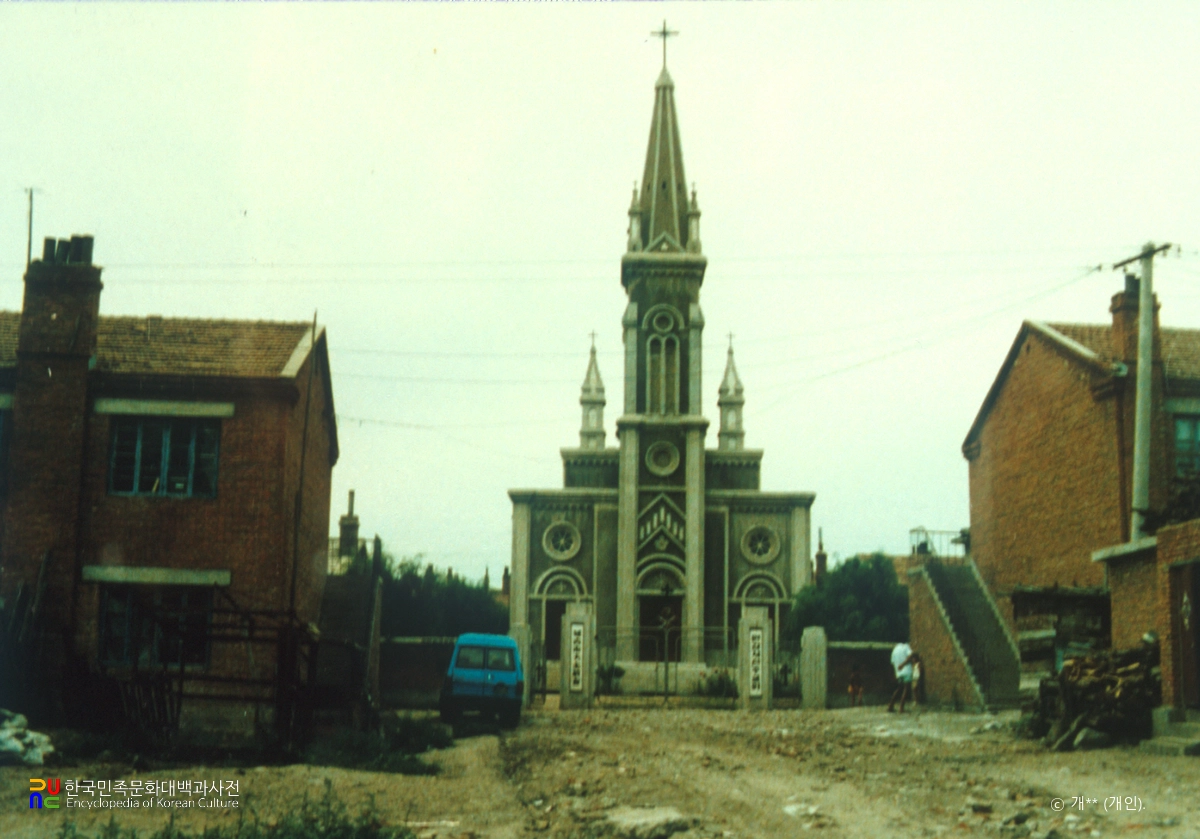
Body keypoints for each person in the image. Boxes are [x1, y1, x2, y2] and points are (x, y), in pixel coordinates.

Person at [887, 641, 916, 713]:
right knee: (906, 689)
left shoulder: (894, 650)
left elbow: (892, 662)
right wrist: (903, 664)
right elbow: (911, 655)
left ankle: (891, 705)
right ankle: (901, 708)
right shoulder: (906, 646)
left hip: (898, 673)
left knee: (899, 688)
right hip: (906, 671)